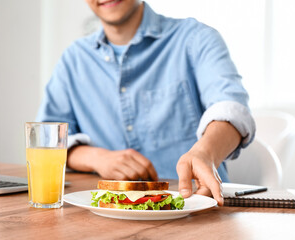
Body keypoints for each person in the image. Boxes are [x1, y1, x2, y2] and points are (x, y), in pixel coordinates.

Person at [36, 0, 255, 206]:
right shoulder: (73, 60)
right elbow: (47, 140)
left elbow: (231, 108)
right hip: (109, 216)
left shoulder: (196, 38)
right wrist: (97, 158)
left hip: (199, 207)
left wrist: (205, 152)